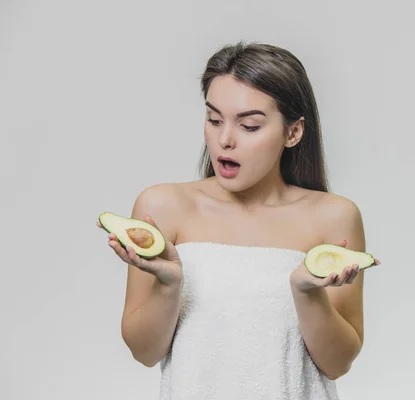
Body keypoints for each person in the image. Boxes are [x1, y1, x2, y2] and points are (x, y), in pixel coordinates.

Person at [97, 41, 380, 400]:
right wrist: (168, 284)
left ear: (293, 132)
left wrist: (307, 294)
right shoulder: (163, 206)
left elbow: (338, 363)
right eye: (214, 120)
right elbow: (144, 352)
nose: (224, 140)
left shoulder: (335, 216)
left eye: (249, 126)